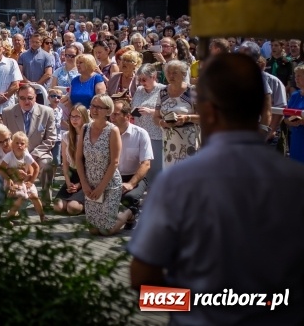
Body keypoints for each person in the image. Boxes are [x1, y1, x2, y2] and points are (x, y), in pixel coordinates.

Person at [129, 53, 304, 325]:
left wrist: (204, 302)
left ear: (207, 112)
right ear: (260, 108)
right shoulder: (296, 181)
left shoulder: (177, 182)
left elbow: (143, 285)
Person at [76, 94, 134, 235]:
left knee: (106, 230)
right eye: (92, 105)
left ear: (108, 111)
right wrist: (84, 184)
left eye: (99, 107)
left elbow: (114, 162)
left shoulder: (112, 131)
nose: (94, 110)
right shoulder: (85, 128)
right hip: (90, 185)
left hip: (109, 185)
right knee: (93, 230)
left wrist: (101, 188)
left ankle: (129, 213)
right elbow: (78, 158)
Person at [1, 84, 58, 206]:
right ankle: (10, 200)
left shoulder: (47, 112)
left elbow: (51, 138)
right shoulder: (7, 113)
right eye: (22, 98)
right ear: (17, 98)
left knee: (47, 164)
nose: (26, 101)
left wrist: (32, 155)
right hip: (15, 153)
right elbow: (5, 138)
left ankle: (46, 201)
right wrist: (17, 155)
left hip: (39, 153)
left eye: (30, 98)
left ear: (35, 98)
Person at [110, 100, 152, 229]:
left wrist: (131, 184)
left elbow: (146, 164)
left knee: (129, 197)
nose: (112, 118)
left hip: (135, 177)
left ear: (127, 116)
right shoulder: (107, 133)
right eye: (111, 114)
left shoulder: (141, 134)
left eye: (116, 114)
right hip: (113, 177)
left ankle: (133, 214)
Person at [153, 59, 200, 168]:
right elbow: (155, 117)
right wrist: (162, 123)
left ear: (183, 74)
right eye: (168, 72)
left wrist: (186, 118)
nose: (171, 75)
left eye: (175, 72)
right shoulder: (162, 92)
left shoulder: (192, 91)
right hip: (169, 143)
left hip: (190, 142)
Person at [0, 132, 46, 222]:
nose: (19, 145)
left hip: (25, 181)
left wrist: (31, 181)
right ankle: (9, 218)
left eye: (22, 143)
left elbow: (36, 168)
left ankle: (42, 216)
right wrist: (8, 179)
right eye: (17, 143)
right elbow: (1, 169)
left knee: (34, 196)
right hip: (13, 181)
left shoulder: (26, 155)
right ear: (12, 144)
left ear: (26, 146)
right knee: (21, 196)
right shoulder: (9, 156)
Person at [131, 64, 165, 184]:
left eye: (144, 79)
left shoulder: (163, 90)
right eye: (139, 79)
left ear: (154, 76)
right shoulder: (140, 90)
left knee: (155, 166)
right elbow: (133, 104)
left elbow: (168, 111)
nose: (141, 82)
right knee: (141, 165)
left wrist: (150, 111)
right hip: (140, 133)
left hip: (156, 134)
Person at [53, 104, 89, 215]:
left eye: (77, 116)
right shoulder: (66, 136)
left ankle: (89, 204)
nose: (74, 119)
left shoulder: (90, 135)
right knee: (58, 206)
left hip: (87, 176)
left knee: (72, 208)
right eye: (72, 116)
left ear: (84, 117)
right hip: (73, 175)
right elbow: (65, 163)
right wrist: (68, 182)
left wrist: (79, 184)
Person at [285, 64, 304, 163]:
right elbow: (286, 117)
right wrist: (293, 120)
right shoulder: (294, 95)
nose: (296, 79)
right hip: (296, 139)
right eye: (295, 76)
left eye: (299, 76)